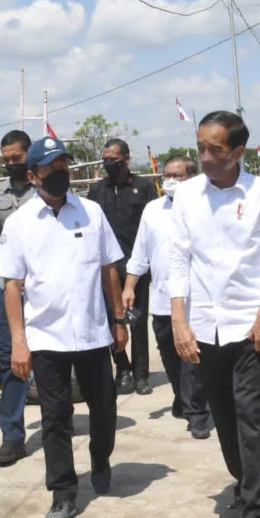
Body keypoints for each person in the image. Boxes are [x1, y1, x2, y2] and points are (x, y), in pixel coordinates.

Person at [0, 135, 127, 518]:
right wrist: (19, 342)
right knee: (55, 416)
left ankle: (101, 459)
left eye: (64, 166)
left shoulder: (91, 212)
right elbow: (12, 287)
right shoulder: (19, 224)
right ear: (33, 175)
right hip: (46, 337)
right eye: (51, 168)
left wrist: (119, 321)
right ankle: (63, 492)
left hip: (91, 332)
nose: (60, 174)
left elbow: (108, 271)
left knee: (104, 408)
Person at [168, 111, 260, 518]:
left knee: (252, 417)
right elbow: (178, 261)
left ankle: (255, 513)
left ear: (237, 152)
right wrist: (179, 320)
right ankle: (243, 480)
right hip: (204, 325)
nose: (204, 157)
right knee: (222, 414)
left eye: (214, 150)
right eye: (200, 148)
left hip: (249, 324)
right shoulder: (186, 197)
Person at [124, 155, 212, 439]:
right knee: (170, 356)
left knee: (192, 359)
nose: (170, 181)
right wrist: (129, 287)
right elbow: (140, 253)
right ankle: (182, 398)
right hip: (161, 300)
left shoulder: (205, 206)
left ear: (193, 176)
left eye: (178, 176)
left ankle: (197, 413)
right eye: (167, 176)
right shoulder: (153, 209)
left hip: (194, 301)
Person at [87, 137, 158, 395]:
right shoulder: (97, 191)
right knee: (110, 320)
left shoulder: (144, 187)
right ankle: (123, 369)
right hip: (107, 269)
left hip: (136, 267)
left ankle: (141, 375)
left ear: (126, 159)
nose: (108, 164)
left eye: (113, 160)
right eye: (105, 159)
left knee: (137, 322)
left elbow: (153, 227)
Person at [0, 129, 37, 468]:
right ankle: (12, 437)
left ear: (29, 155)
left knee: (52, 358)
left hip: (42, 288)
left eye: (16, 159)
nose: (11, 165)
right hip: (7, 289)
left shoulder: (46, 190)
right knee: (10, 361)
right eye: (6, 160)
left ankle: (59, 420)